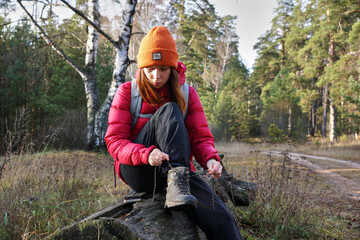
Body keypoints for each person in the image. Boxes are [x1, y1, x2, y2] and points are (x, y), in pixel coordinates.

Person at [105, 26, 243, 240]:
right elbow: (115, 141)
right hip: (139, 170)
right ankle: (177, 181)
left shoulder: (187, 94)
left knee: (223, 219)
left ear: (172, 68)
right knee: (169, 110)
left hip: (177, 175)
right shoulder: (127, 92)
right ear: (142, 67)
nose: (155, 76)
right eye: (150, 68)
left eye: (163, 69)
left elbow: (200, 136)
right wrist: (146, 154)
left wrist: (210, 159)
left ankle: (178, 183)